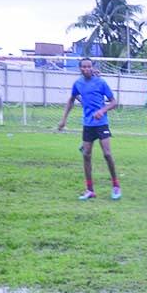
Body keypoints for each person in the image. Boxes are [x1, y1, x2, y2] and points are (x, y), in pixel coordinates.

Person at [58, 58, 121, 200]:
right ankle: (90, 189)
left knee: (107, 154)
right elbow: (71, 100)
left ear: (92, 67)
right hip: (88, 125)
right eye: (84, 67)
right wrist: (63, 120)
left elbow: (114, 102)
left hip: (102, 123)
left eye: (89, 66)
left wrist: (102, 111)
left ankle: (116, 186)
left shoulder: (101, 82)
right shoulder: (78, 84)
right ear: (80, 69)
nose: (86, 69)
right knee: (86, 155)